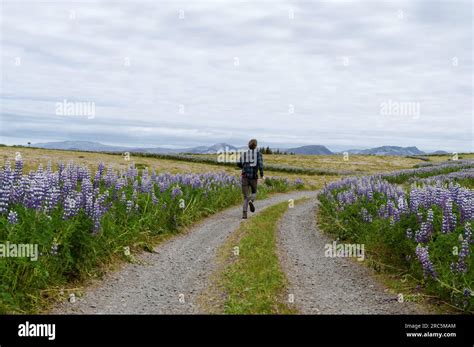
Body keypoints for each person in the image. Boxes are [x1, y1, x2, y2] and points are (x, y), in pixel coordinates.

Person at [237, 139, 264, 219]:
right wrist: (262, 174)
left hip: (245, 177)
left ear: (249, 145)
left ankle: (244, 214)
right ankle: (251, 201)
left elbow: (238, 163)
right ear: (255, 146)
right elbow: (261, 165)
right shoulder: (258, 154)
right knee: (254, 192)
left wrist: (243, 167)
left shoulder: (244, 154)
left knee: (245, 196)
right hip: (253, 177)